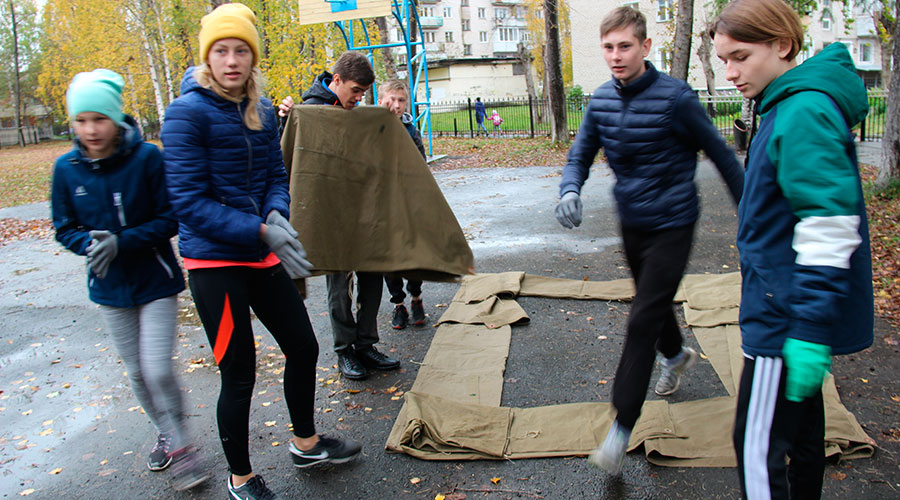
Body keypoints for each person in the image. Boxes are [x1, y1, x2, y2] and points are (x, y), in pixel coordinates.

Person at [160, 4, 360, 499]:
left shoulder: (263, 110)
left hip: (259, 251)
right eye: (221, 51)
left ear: (253, 57)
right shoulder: (185, 113)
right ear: (208, 57)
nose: (232, 60)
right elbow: (187, 201)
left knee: (303, 346)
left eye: (242, 50)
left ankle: (306, 442)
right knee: (240, 371)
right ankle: (240, 477)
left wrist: (275, 215)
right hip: (213, 264)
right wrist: (259, 229)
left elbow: (275, 175)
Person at [555, 6, 743, 476]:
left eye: (625, 46)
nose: (615, 56)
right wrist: (570, 189)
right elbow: (580, 154)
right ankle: (677, 355)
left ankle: (620, 430)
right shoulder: (600, 100)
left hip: (674, 223)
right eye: (608, 47)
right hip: (632, 222)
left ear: (645, 47)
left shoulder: (676, 99)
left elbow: (721, 154)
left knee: (641, 319)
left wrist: (751, 212)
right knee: (651, 304)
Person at [711, 1, 873, 498]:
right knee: (802, 438)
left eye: (740, 56)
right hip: (788, 308)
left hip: (783, 318)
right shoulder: (788, 103)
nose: (731, 73)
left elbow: (828, 225)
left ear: (782, 45)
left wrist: (805, 328)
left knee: (756, 446)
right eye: (723, 61)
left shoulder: (801, 111)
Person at [50, 69, 208, 491]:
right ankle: (169, 434)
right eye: (81, 121)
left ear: (115, 119)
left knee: (157, 368)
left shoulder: (147, 159)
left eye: (98, 119)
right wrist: (88, 243)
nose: (90, 129)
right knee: (136, 373)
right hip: (109, 289)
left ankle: (182, 445)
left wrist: (121, 242)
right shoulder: (65, 169)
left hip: (155, 283)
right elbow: (63, 227)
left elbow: (170, 218)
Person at [278, 52, 401, 381]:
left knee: (374, 276)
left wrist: (384, 123)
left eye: (363, 93)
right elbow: (286, 153)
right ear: (336, 81)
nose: (359, 98)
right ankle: (344, 350)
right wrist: (284, 120)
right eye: (356, 90)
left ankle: (366, 344)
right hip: (330, 216)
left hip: (364, 213)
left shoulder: (356, 115)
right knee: (339, 285)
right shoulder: (307, 111)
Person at [377, 79, 428, 329]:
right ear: (380, 100)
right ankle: (398, 304)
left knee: (412, 254)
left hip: (408, 204)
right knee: (390, 259)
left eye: (401, 100)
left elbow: (422, 165)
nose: (396, 105)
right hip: (382, 207)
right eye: (391, 99)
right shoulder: (371, 127)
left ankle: (416, 298)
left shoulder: (410, 130)